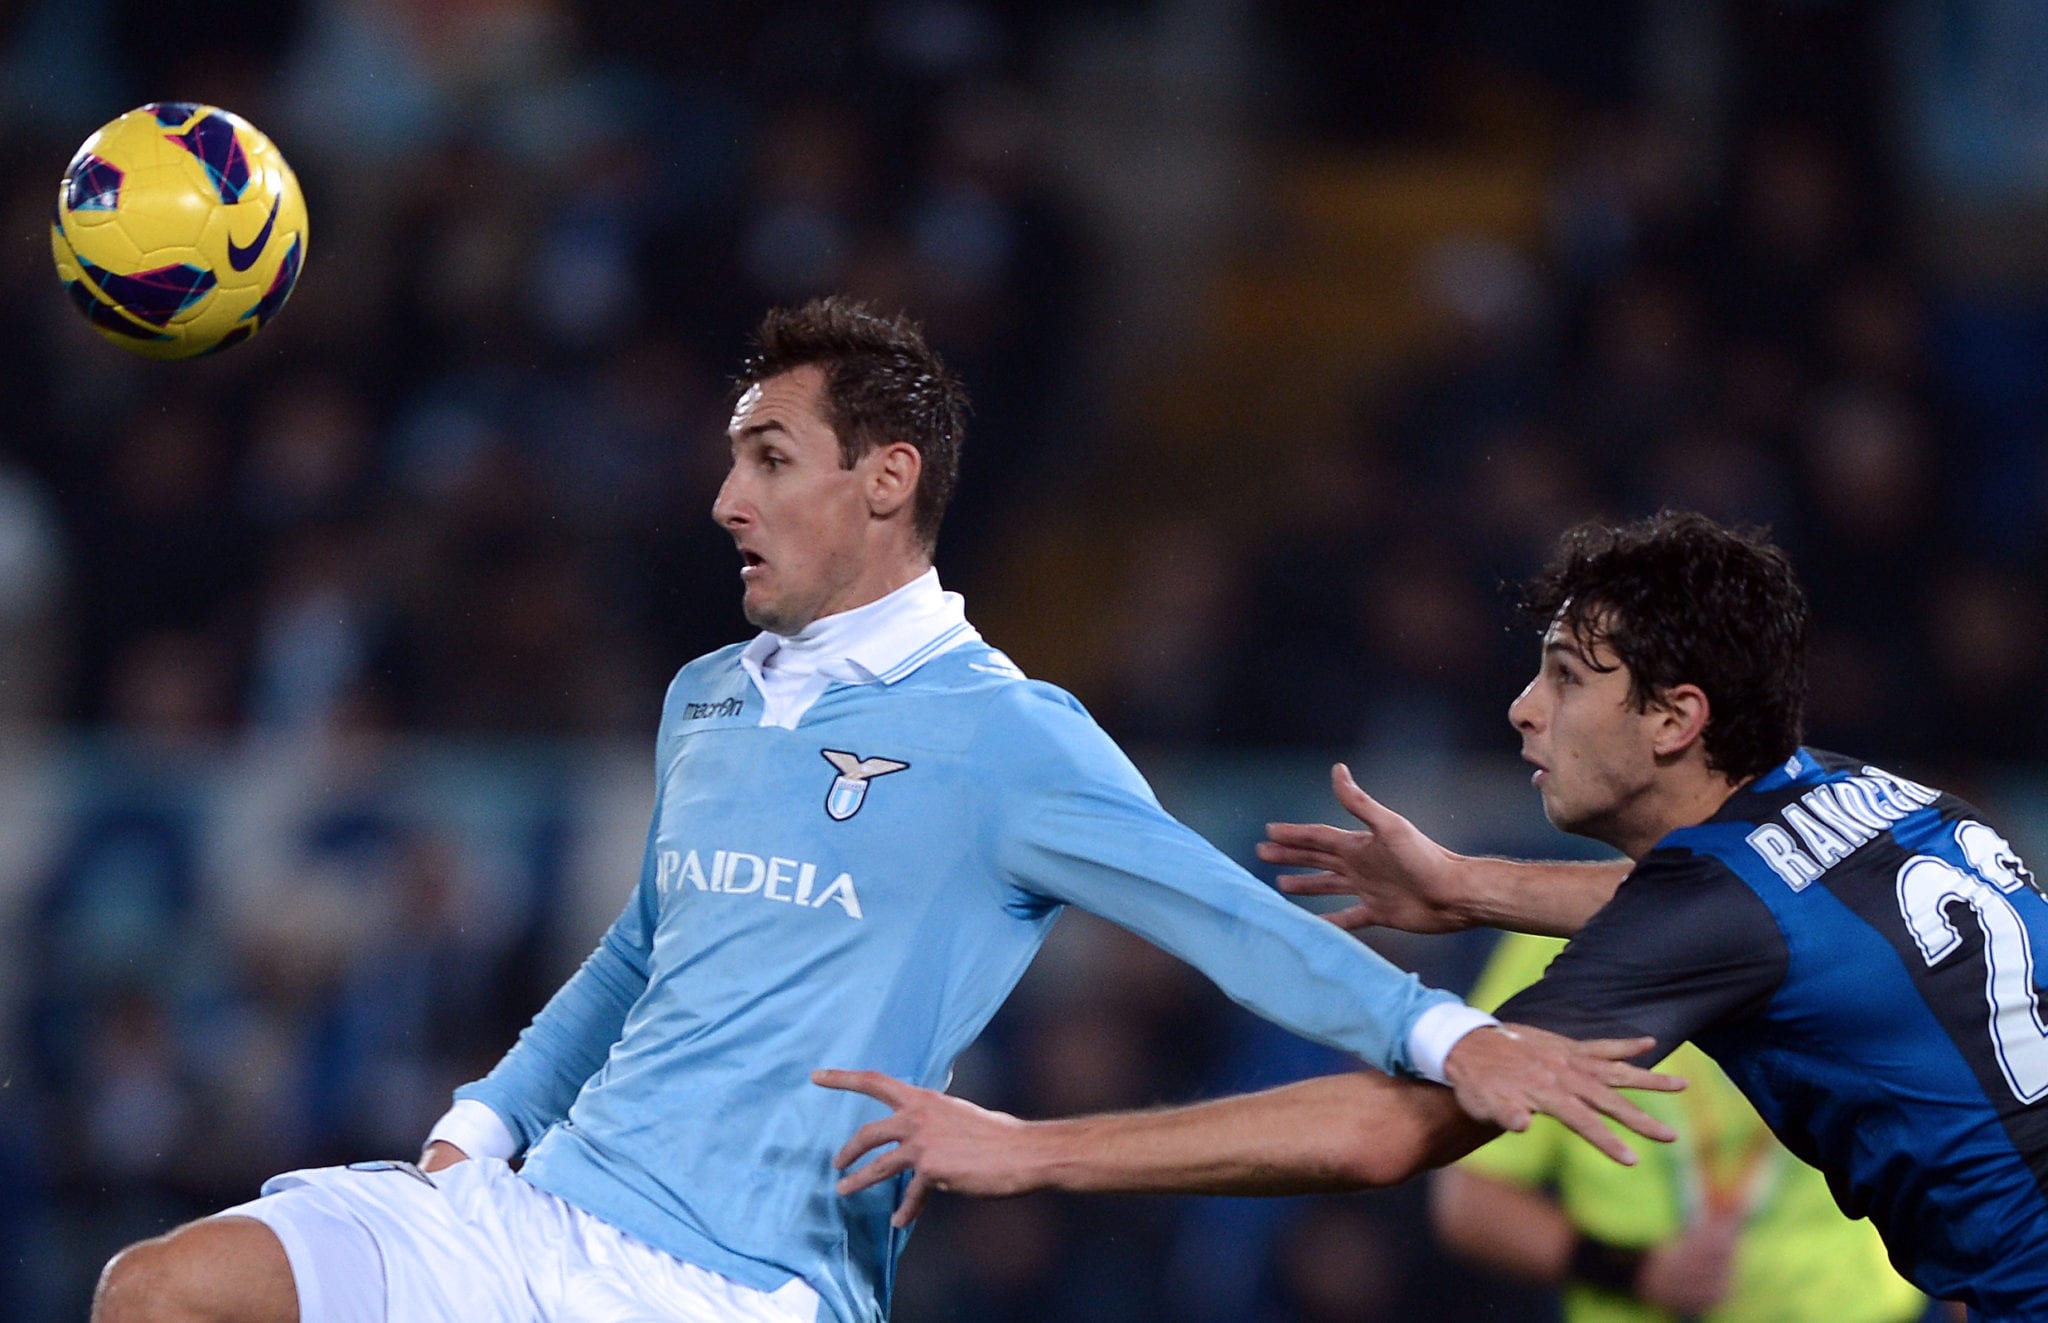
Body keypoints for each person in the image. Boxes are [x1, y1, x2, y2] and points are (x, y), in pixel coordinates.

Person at [90, 299, 1675, 1323]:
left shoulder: (1013, 739)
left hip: (737, 1287)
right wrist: (480, 1120)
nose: (726, 499)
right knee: (156, 1287)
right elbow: (646, 942)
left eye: (769, 457)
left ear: (885, 477)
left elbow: (1239, 924)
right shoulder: (708, 692)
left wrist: (1454, 1039)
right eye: (729, 459)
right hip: (523, 1210)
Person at [821, 510, 2048, 1321]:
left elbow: (1388, 1133)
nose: (1522, 711)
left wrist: (1032, 1149)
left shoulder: (1716, 906)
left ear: (1674, 719)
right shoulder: (1860, 794)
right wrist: (1470, 887)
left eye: (1568, 680)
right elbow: (1741, 913)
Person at [1434, 930, 1925, 1323]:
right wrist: (1636, 1273)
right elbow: (1471, 1203)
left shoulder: (1856, 927)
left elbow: (1960, 1167)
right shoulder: (1560, 946)